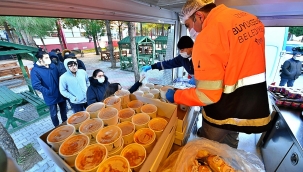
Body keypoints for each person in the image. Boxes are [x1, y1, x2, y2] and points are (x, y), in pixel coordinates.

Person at [165, 0, 272, 148]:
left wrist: (176, 96)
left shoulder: (208, 36)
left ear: (199, 16)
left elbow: (207, 95)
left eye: (189, 25)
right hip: (247, 108)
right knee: (229, 148)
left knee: (207, 150)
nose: (191, 31)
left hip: (222, 110)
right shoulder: (250, 20)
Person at [31, 51, 67, 127]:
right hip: (50, 96)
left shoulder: (52, 66)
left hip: (60, 93)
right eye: (46, 58)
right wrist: (48, 92)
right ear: (40, 59)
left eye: (48, 57)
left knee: (63, 110)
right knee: (54, 114)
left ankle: (66, 123)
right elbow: (36, 85)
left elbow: (59, 75)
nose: (49, 59)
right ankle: (57, 127)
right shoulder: (35, 70)